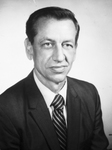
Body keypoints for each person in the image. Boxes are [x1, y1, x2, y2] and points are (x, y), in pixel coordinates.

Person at [0, 6, 109, 150]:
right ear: (29, 48)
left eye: (67, 44)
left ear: (75, 49)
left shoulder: (90, 94)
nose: (59, 57)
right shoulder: (5, 108)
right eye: (48, 44)